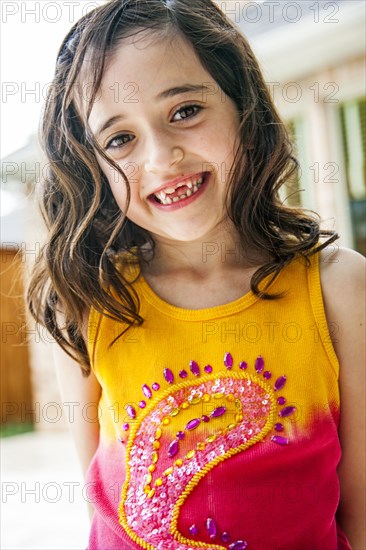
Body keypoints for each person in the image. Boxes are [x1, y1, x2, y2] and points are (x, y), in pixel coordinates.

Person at [27, 0, 365, 548]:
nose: (162, 157)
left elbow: (360, 513)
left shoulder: (338, 289)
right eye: (120, 139)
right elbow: (104, 505)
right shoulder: (94, 301)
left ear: (242, 106)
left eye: (184, 110)